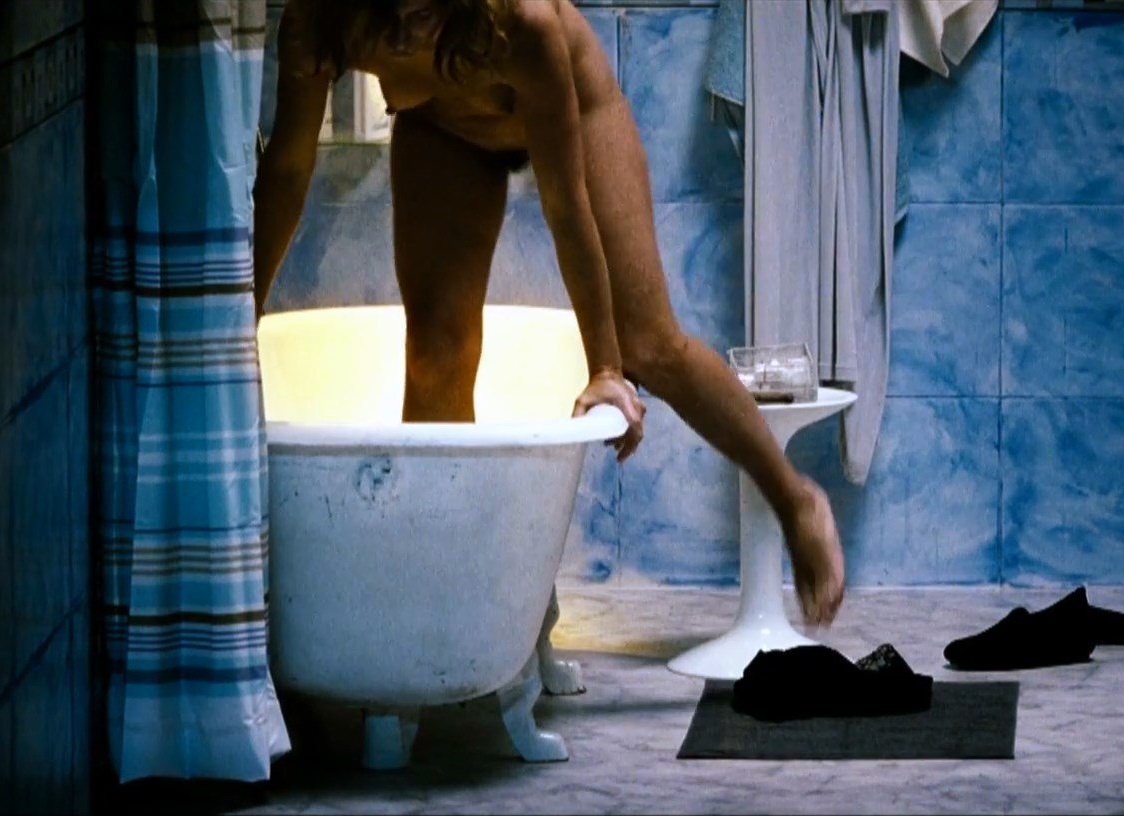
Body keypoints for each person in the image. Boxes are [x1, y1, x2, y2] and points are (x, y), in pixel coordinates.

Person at [253, 0, 845, 625]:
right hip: (444, 129)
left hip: (577, 111)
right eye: (390, 22)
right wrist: (242, 319)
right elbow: (287, 171)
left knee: (649, 346)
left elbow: (566, 207)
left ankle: (793, 499)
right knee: (434, 354)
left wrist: (606, 369)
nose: (402, 39)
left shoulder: (522, 21)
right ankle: (447, 596)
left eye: (422, 17)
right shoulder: (318, 19)